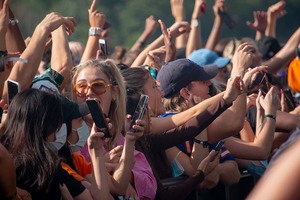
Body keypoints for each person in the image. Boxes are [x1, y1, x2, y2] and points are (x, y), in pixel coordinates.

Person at [121, 56, 245, 198]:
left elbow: (188, 127)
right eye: (155, 87)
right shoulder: (135, 138)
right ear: (140, 97)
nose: (162, 93)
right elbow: (163, 196)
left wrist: (228, 96)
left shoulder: (146, 137)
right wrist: (200, 174)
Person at [0, 88, 110, 199]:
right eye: (57, 123)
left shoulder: (5, 162)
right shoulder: (47, 170)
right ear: (46, 127)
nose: (58, 129)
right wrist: (97, 152)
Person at [71, 58, 155, 199]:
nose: (89, 92)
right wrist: (104, 167)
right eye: (82, 86)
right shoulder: (70, 136)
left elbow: (149, 186)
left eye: (98, 85)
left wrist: (122, 171)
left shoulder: (119, 135)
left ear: (114, 92)